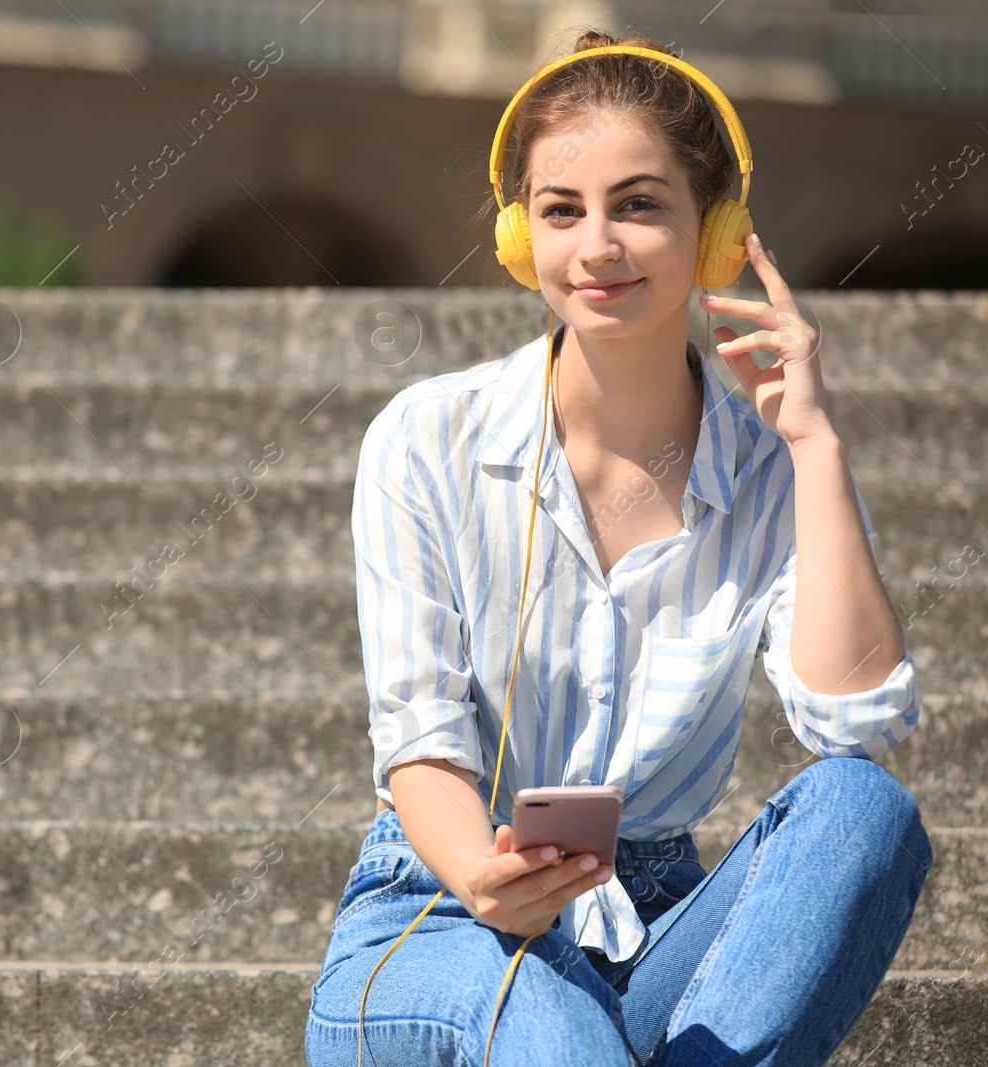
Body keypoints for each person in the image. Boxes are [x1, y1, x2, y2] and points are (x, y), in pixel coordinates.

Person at [305, 30, 934, 1067]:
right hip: (438, 916)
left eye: (638, 204)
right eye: (561, 210)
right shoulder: (426, 436)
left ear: (715, 234)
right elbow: (416, 739)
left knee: (864, 805)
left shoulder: (772, 472)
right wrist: (480, 875)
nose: (596, 244)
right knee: (558, 1037)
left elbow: (855, 714)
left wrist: (814, 446)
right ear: (521, 239)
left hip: (651, 925)